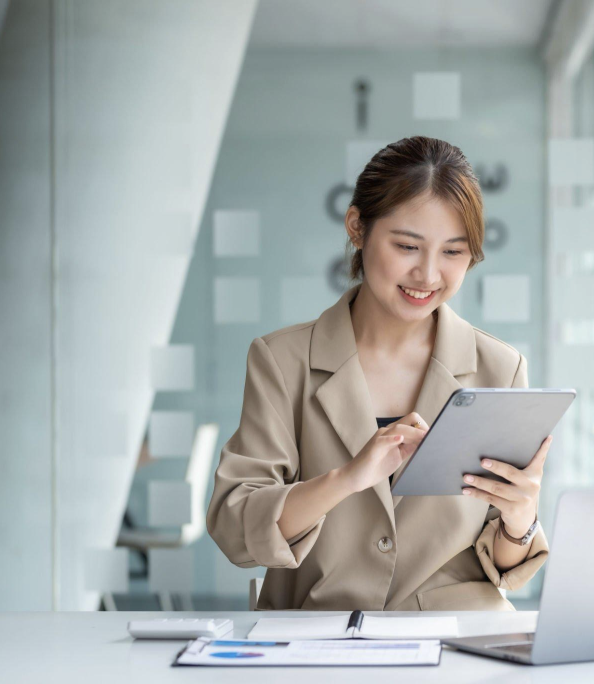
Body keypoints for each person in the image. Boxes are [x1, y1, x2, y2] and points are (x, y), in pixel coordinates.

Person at [206, 136, 551, 611]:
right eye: (408, 246)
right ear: (357, 227)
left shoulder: (500, 367)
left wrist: (521, 518)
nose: (428, 275)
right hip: (319, 629)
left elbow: (503, 565)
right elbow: (235, 524)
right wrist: (346, 479)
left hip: (455, 636)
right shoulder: (281, 360)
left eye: (454, 252)